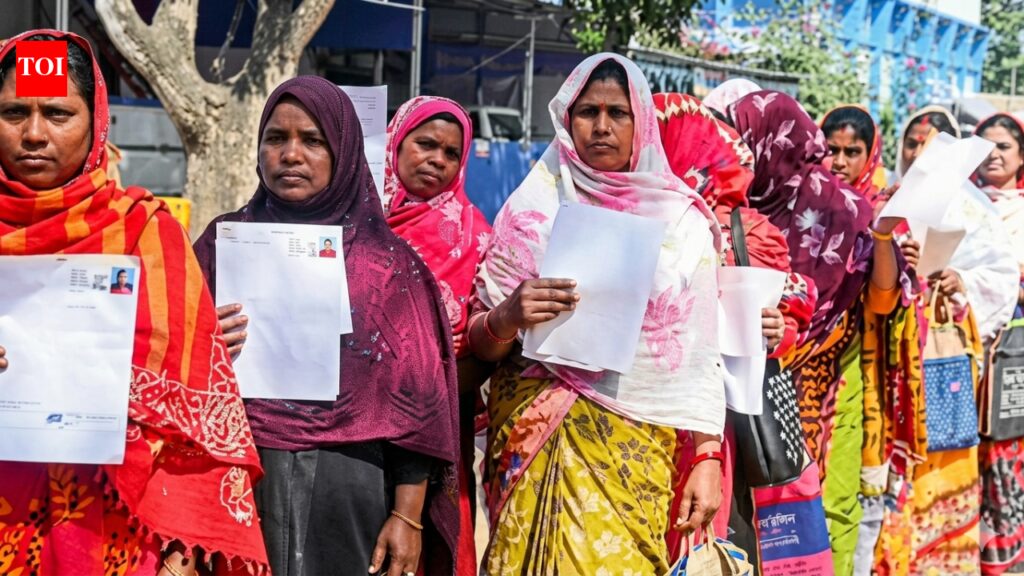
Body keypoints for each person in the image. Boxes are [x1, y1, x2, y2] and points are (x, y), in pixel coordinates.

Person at [0, 30, 267, 576]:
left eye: (57, 113)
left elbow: (199, 410)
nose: (32, 134)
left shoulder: (147, 233)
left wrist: (181, 553)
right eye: (12, 112)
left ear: (97, 122)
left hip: (114, 532)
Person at [192, 76, 461, 576]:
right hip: (241, 479)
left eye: (312, 140)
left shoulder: (386, 267)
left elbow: (420, 406)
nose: (291, 154)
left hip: (352, 485)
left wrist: (407, 515)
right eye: (276, 138)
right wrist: (202, 345)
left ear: (344, 150)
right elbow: (173, 365)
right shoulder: (219, 247)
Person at [473, 54, 725, 574]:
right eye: (587, 111)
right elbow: (480, 347)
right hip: (531, 430)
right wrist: (508, 316)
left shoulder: (679, 225)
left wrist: (706, 457)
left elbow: (699, 359)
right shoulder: (530, 211)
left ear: (642, 123)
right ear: (567, 119)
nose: (602, 126)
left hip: (630, 448)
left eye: (618, 112)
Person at [728, 90, 909, 575]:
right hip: (748, 386)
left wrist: (885, 237)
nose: (840, 161)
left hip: (829, 381)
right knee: (751, 511)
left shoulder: (845, 213)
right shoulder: (726, 206)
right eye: (833, 149)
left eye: (854, 151)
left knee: (829, 506)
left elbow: (884, 299)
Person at [653, 91, 816, 563]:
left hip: (711, 421)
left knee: (700, 543)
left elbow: (789, 312)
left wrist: (775, 329)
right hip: (630, 413)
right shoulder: (622, 211)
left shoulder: (745, 228)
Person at [872, 106, 1018, 574]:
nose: (918, 152)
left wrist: (958, 280)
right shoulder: (885, 200)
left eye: (931, 144)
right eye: (912, 143)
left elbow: (1000, 275)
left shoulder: (973, 207)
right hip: (886, 366)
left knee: (943, 461)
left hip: (945, 360)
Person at [381, 95, 492, 576]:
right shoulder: (352, 224)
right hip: (351, 427)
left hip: (441, 423)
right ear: (396, 143)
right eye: (425, 144)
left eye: (451, 154)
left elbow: (485, 348)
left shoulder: (474, 235)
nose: (438, 161)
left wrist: (431, 383)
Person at [972, 112, 1024, 574]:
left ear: (1021, 156)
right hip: (961, 347)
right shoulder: (961, 204)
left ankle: (1003, 553)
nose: (993, 154)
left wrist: (1004, 283)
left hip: (1013, 351)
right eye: (984, 145)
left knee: (1005, 448)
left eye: (1004, 146)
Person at [821, 105, 888, 203]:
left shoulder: (881, 211)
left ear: (869, 157)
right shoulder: (799, 197)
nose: (840, 162)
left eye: (852, 152)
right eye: (831, 151)